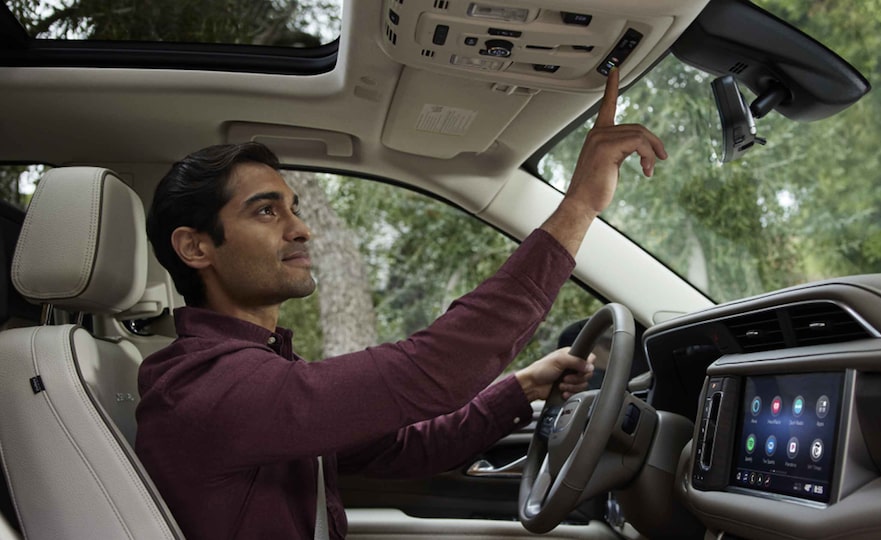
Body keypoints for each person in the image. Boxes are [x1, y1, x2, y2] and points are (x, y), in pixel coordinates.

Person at [135, 69, 667, 540]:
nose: (301, 229)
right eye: (266, 212)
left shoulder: (256, 375)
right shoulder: (206, 387)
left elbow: (406, 448)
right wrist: (580, 205)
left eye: (293, 208)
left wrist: (522, 388)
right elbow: (433, 367)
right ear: (196, 248)